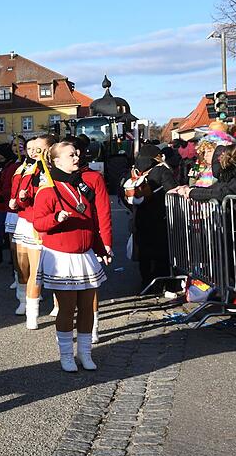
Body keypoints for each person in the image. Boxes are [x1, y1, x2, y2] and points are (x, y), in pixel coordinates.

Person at [31, 141, 112, 372]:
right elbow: (39, 224)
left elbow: (91, 222)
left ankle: (85, 353)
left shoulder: (80, 186)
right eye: (70, 155)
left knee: (88, 307)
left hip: (84, 255)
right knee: (67, 309)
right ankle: (66, 355)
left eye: (76, 154)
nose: (76, 158)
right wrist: (56, 218)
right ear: (56, 161)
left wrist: (100, 247)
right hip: (62, 257)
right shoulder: (47, 191)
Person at [11, 136, 56, 328]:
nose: (33, 151)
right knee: (22, 267)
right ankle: (23, 300)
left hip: (43, 223)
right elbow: (21, 194)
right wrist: (19, 199)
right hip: (24, 220)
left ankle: (39, 309)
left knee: (40, 271)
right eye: (30, 148)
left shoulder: (54, 170)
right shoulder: (25, 168)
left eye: (38, 148)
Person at [123, 144, 178, 293]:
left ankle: (146, 282)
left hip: (139, 218)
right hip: (160, 217)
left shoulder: (133, 172)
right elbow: (172, 190)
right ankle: (163, 282)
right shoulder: (161, 171)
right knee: (161, 253)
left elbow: (122, 194)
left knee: (143, 254)